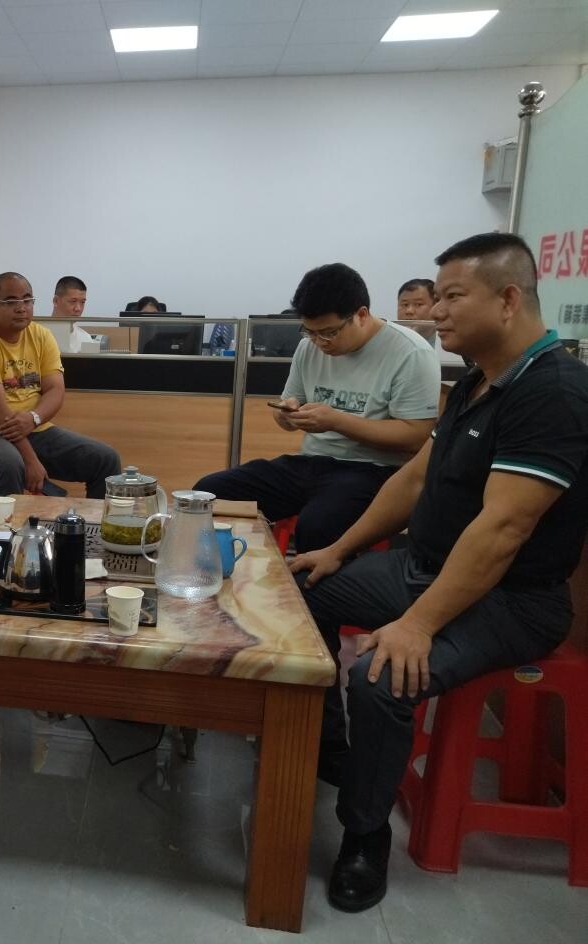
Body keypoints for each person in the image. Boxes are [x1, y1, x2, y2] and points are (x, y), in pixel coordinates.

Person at [290, 232, 588, 914]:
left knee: (379, 677)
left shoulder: (553, 393)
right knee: (300, 589)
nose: (435, 312)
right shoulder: (478, 382)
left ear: (507, 300)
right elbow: (413, 479)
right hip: (422, 569)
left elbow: (503, 529)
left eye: (452, 296)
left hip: (512, 602)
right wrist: (339, 550)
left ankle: (364, 836)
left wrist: (417, 625)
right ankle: (331, 751)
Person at [195, 263, 440, 553]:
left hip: (374, 470)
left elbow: (416, 437)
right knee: (208, 492)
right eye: (309, 332)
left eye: (329, 332)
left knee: (319, 525)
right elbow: (285, 411)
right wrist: (287, 414)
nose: (319, 342)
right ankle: (224, 569)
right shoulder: (308, 347)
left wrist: (337, 421)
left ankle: (313, 583)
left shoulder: (410, 352)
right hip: (310, 462)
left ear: (361, 315)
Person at [0, 271, 121, 500]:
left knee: (105, 459)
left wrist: (34, 418)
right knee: (9, 463)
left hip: (32, 429)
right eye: (10, 301)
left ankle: (94, 522)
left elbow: (55, 390)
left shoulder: (42, 336)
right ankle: (3, 525)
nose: (21, 308)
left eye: (27, 300)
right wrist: (31, 461)